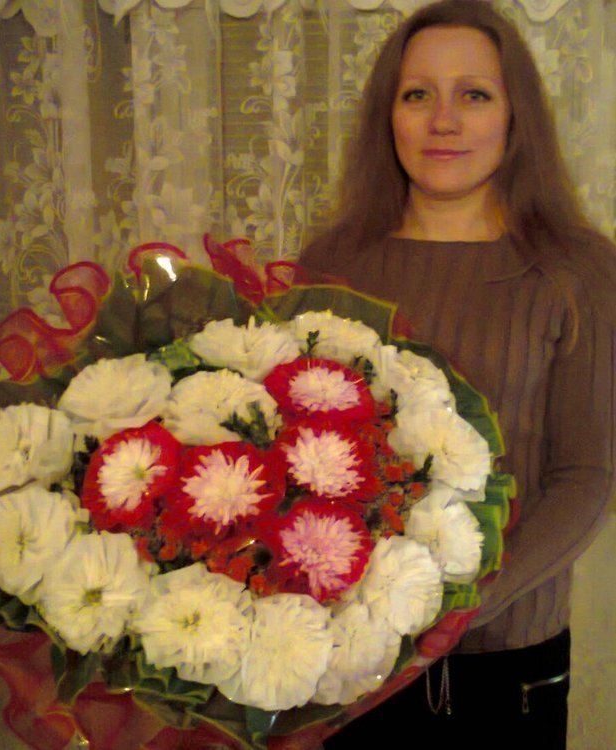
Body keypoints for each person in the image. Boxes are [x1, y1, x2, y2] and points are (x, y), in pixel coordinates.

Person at [299, 2, 616, 748]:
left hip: (503, 666)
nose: (443, 121)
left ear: (515, 116)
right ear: (388, 116)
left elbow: (586, 477)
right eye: (417, 95)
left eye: (473, 94)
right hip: (345, 658)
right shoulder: (331, 260)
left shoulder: (577, 270)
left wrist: (452, 610)